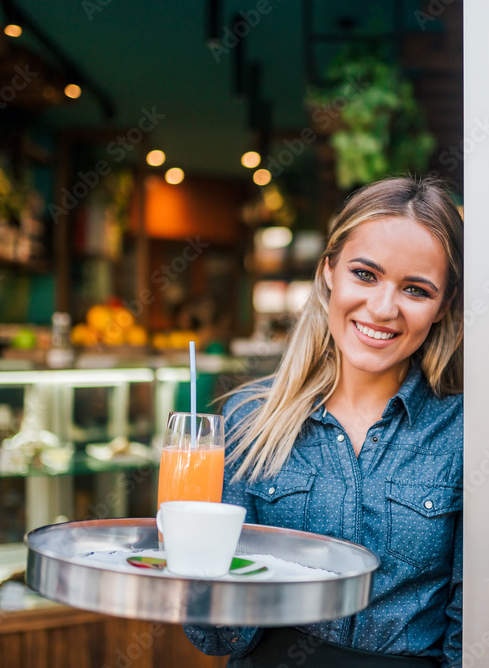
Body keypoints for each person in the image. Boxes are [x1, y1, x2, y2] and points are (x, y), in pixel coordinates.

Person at [184, 175, 464, 667]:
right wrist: (192, 554)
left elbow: (472, 635)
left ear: (442, 307)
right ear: (329, 271)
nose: (382, 308)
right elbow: (215, 637)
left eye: (416, 290)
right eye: (365, 274)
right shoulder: (249, 418)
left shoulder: (464, 431)